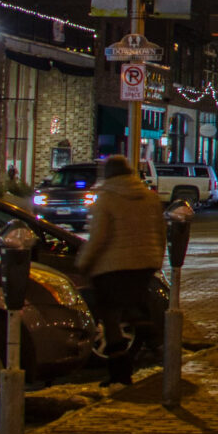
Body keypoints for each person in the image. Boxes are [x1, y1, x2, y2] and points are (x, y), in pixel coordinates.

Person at [78, 153, 166, 385]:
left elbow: (98, 237)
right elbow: (160, 231)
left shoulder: (106, 198)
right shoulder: (149, 197)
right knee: (134, 307)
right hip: (144, 265)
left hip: (112, 267)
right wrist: (157, 259)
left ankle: (120, 371)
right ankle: (151, 335)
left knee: (109, 317)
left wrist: (83, 262)